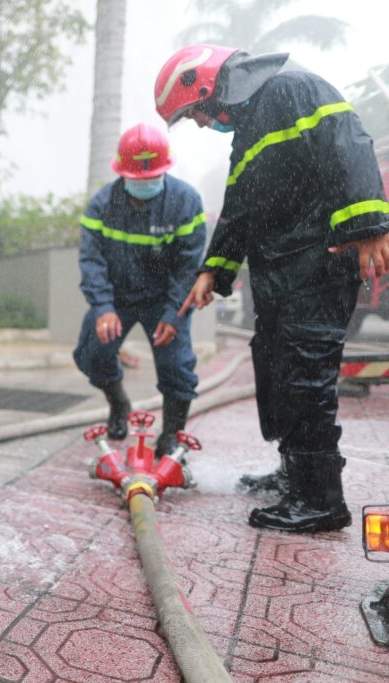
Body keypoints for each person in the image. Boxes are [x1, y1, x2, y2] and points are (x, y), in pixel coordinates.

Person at [156, 44, 389, 532]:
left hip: (318, 266)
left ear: (209, 86)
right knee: (278, 369)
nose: (199, 122)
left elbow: (348, 143)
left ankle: (320, 498)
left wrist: (369, 224)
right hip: (281, 276)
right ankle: (294, 473)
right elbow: (238, 208)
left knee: (305, 377)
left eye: (194, 111)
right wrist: (211, 271)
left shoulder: (294, 89)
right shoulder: (248, 133)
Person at [74, 123, 206, 455]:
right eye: (138, 179)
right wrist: (103, 307)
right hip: (116, 297)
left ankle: (172, 433)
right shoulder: (102, 206)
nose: (145, 184)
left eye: (152, 178)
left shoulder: (185, 202)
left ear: (165, 170)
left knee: (177, 366)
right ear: (122, 173)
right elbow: (92, 260)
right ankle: (119, 403)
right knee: (93, 353)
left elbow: (188, 267)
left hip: (164, 300)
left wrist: (175, 314)